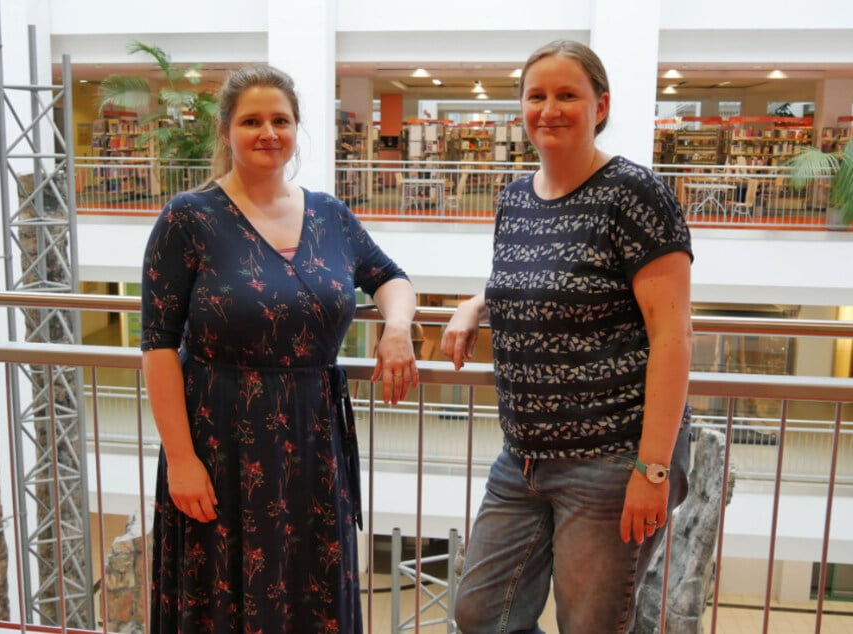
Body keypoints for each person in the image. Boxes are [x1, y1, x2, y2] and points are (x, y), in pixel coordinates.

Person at [140, 64, 419, 633]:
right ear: (226, 132)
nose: (268, 132)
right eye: (251, 121)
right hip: (220, 442)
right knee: (222, 590)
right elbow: (158, 346)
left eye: (280, 120)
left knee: (308, 587)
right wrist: (182, 460)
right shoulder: (188, 217)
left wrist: (397, 327)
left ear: (296, 129)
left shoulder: (330, 216)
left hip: (313, 437)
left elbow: (389, 277)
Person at [442, 40, 694, 633]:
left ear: (599, 106)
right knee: (482, 614)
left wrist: (652, 469)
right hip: (524, 457)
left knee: (590, 624)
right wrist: (476, 303)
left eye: (567, 95)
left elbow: (673, 336)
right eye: (537, 96)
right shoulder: (515, 199)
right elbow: (534, 281)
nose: (549, 109)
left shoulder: (633, 194)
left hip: (610, 458)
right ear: (521, 108)